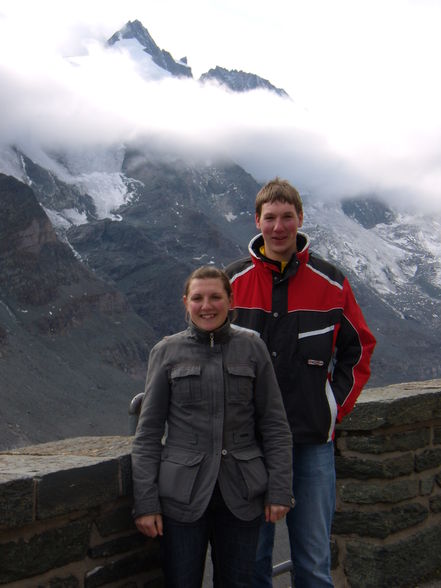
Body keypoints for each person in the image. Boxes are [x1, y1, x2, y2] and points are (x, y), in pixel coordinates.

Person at [225, 178, 376, 588]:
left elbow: (358, 348)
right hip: (248, 445)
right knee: (250, 564)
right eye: (270, 218)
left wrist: (333, 405)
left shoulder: (331, 284)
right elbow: (207, 353)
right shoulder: (232, 283)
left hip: (310, 442)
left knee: (312, 562)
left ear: (300, 219)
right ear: (257, 220)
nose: (278, 227)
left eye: (286, 217)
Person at [131, 265, 295, 588]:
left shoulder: (253, 349)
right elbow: (148, 434)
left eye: (216, 297)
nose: (207, 306)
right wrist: (146, 502)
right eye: (198, 298)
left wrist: (280, 489)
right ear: (185, 303)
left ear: (231, 301)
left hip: (242, 496)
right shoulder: (166, 352)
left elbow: (275, 424)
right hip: (182, 499)